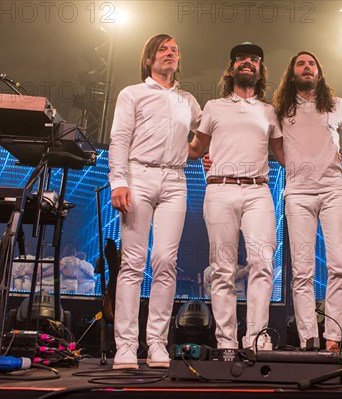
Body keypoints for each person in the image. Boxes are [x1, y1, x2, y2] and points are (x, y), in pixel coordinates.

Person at [108, 34, 201, 369]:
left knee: (165, 260)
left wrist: (208, 154)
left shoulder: (188, 101)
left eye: (175, 50)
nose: (170, 53)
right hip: (138, 175)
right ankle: (126, 346)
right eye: (163, 49)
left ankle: (158, 344)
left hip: (175, 179)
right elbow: (119, 138)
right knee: (132, 262)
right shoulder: (132, 93)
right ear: (149, 59)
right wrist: (118, 181)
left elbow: (202, 138)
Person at [189, 42, 283, 351]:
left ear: (260, 69)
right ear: (231, 68)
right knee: (222, 268)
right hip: (220, 188)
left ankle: (256, 338)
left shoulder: (270, 111)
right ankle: (226, 341)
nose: (248, 62)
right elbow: (194, 149)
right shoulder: (214, 107)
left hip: (258, 191)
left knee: (262, 262)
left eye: (254, 59)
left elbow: (286, 156)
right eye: (241, 58)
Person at [272, 51, 342, 352]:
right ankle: (309, 340)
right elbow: (270, 142)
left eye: (312, 63)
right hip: (298, 194)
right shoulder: (281, 108)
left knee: (339, 266)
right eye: (300, 63)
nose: (307, 67)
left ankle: (333, 339)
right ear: (292, 72)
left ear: (319, 72)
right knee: (302, 270)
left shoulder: (335, 105)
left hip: (334, 189)